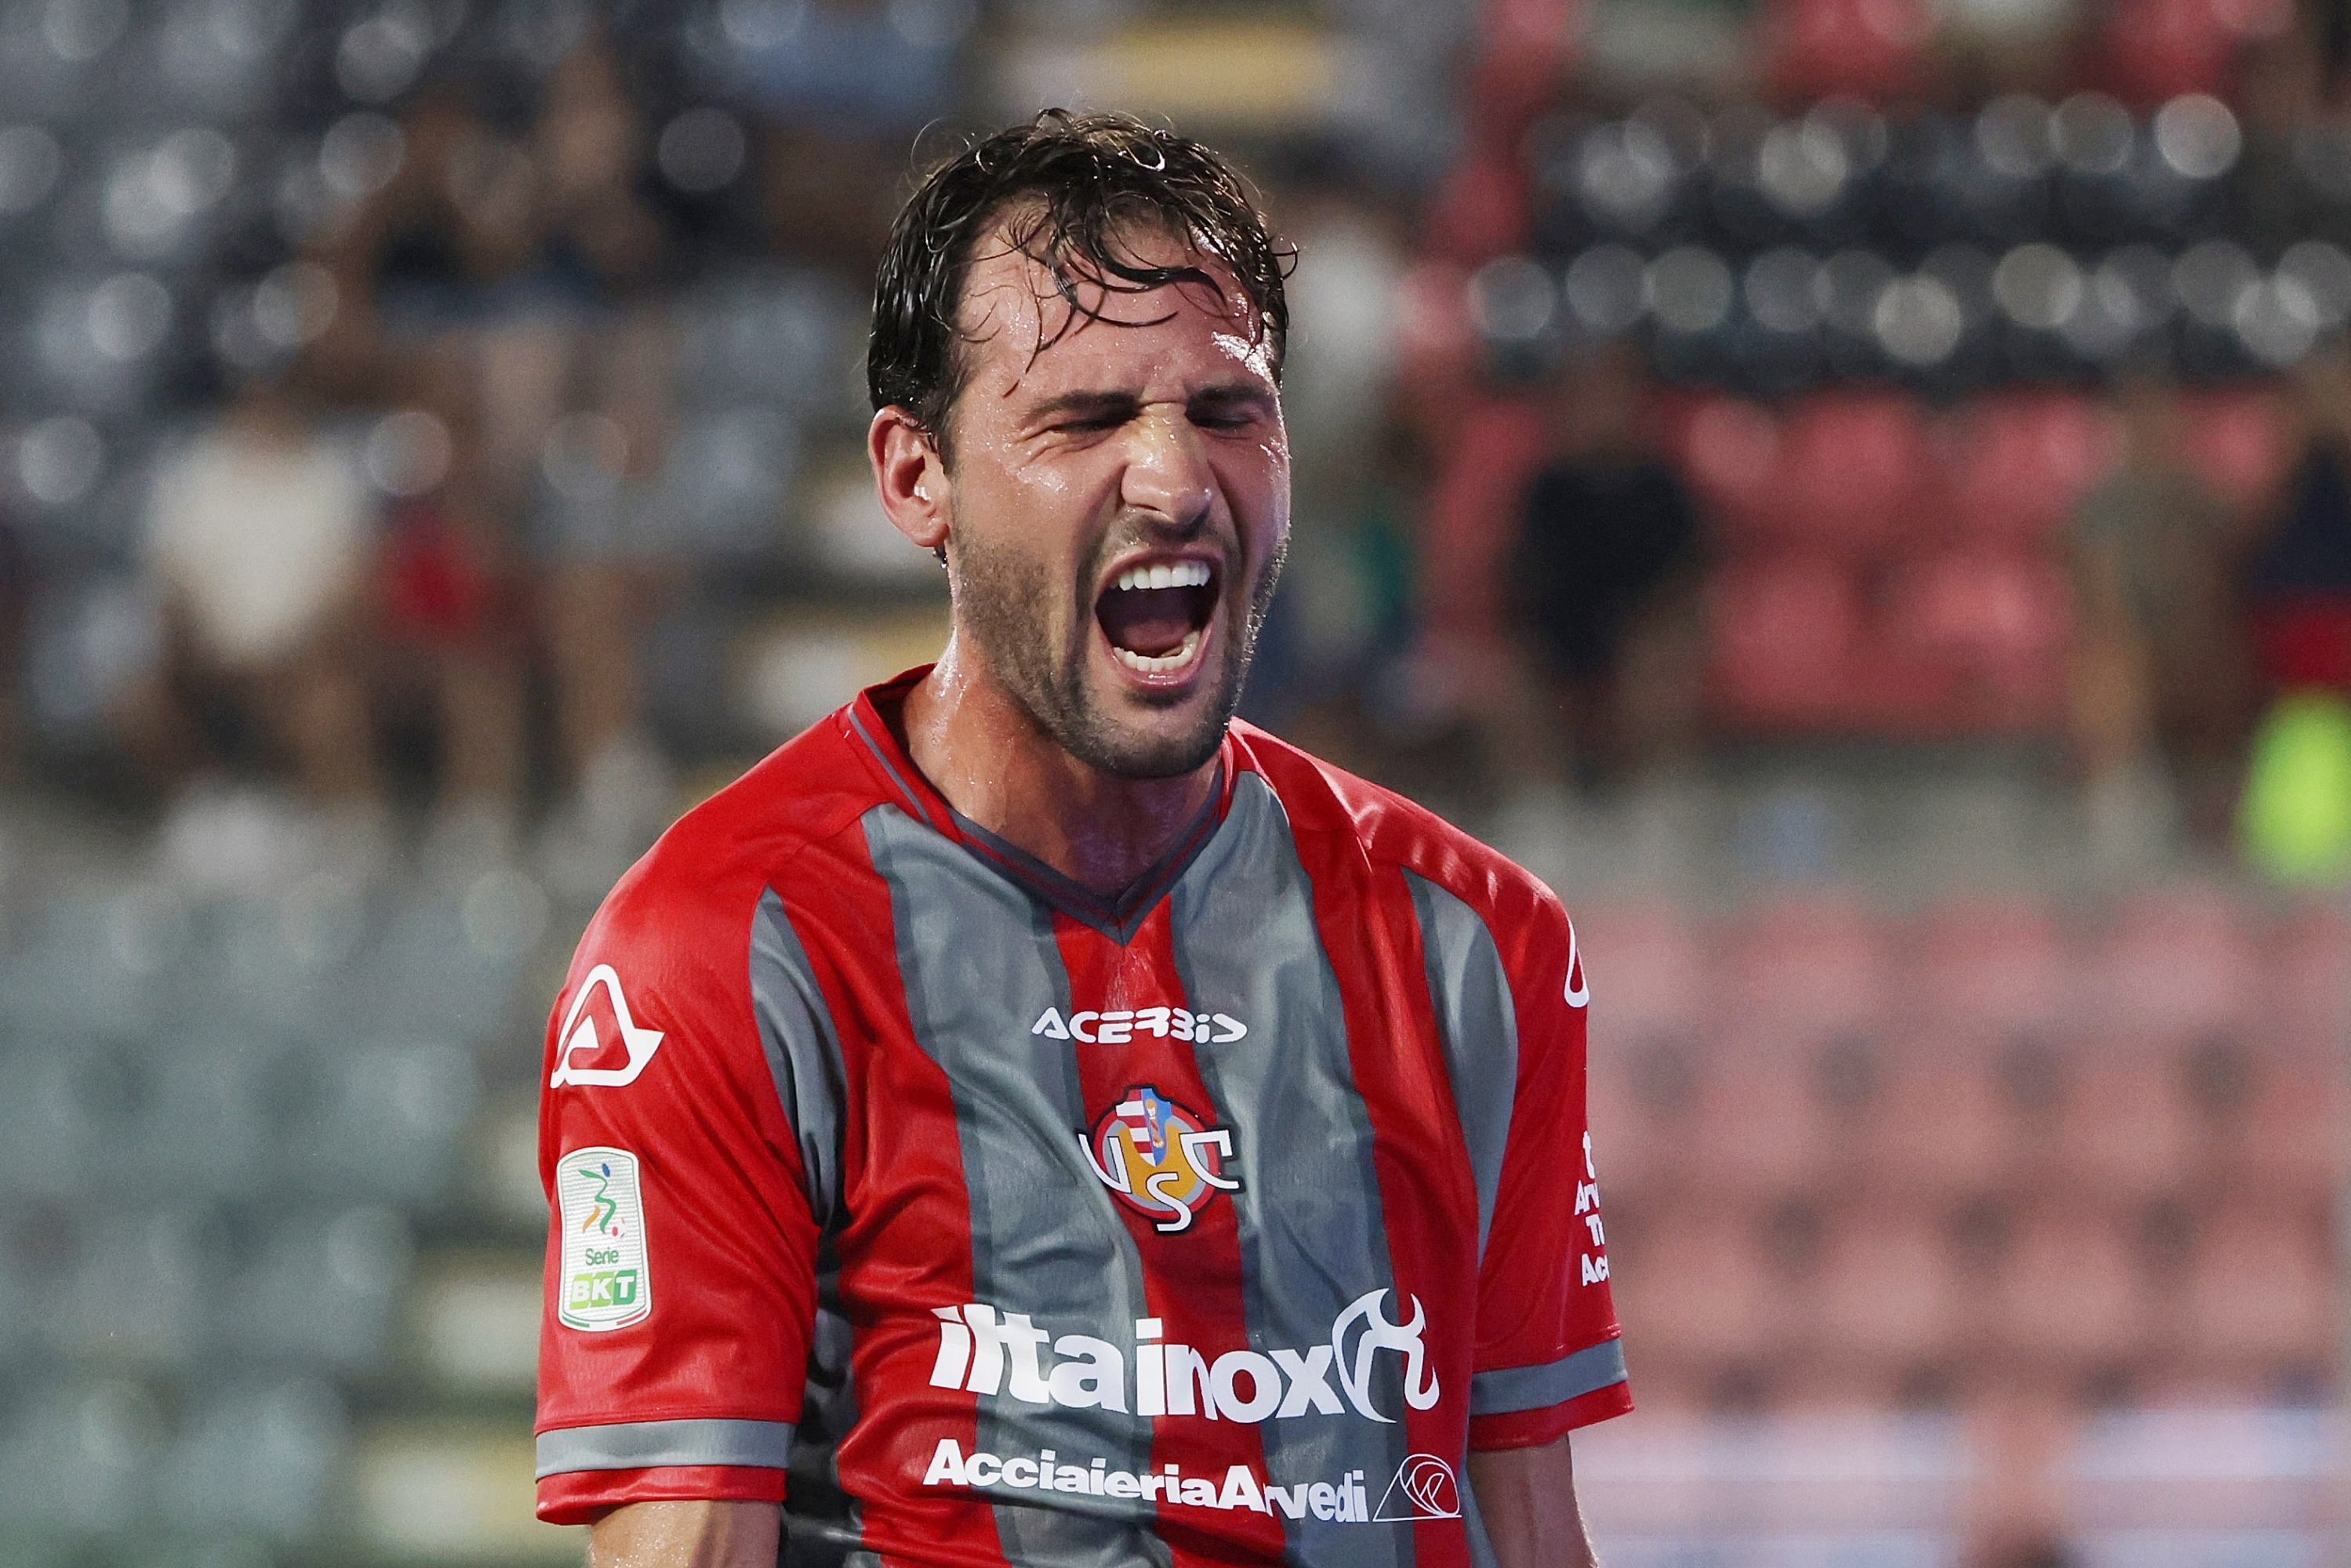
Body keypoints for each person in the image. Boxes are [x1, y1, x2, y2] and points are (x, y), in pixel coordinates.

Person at [532, 113, 1631, 1568]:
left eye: (1230, 412)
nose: (1176, 480)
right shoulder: (724, 944)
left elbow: (1524, 1519)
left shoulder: (1472, 944)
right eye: (1088, 417)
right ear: (913, 476)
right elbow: (684, 1541)